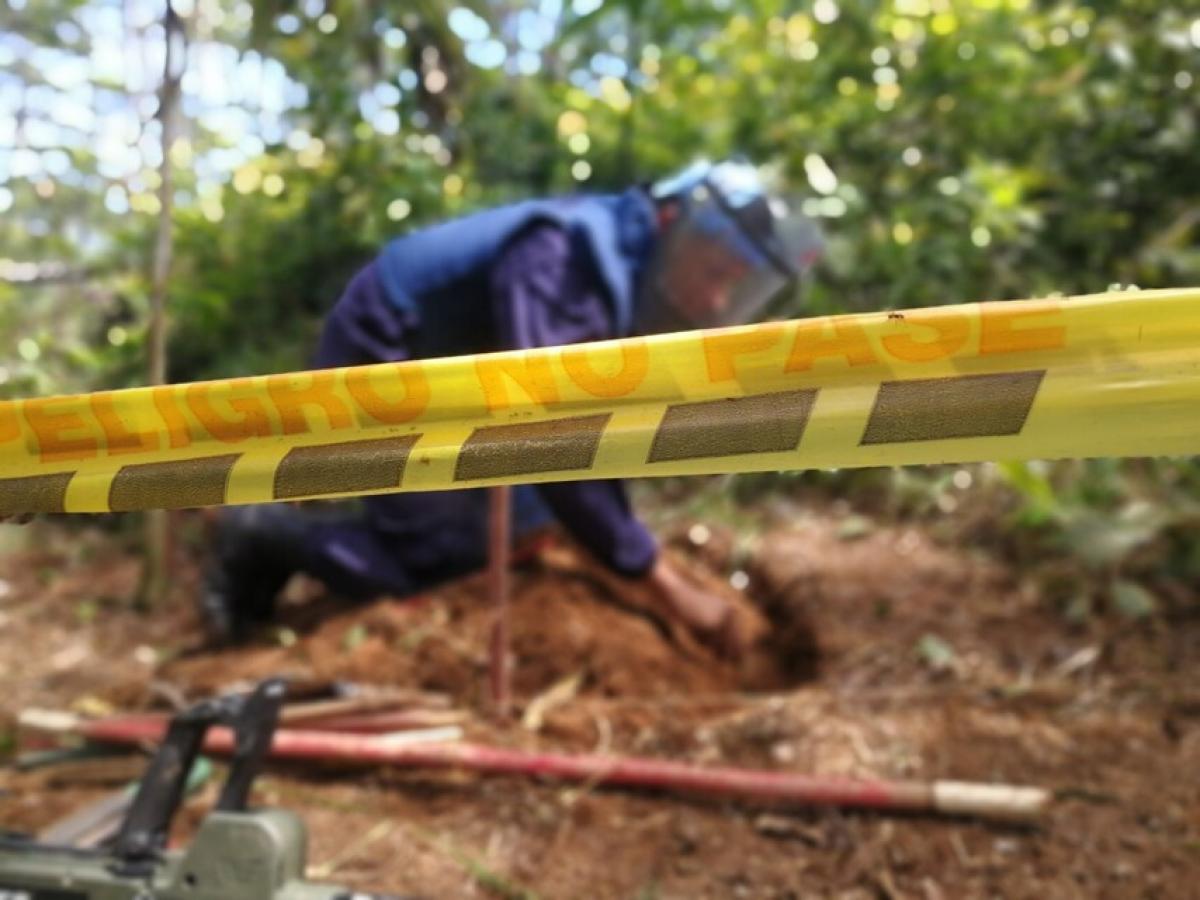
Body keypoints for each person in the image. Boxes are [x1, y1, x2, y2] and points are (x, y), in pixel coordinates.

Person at [201, 158, 822, 652]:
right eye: (715, 272)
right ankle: (261, 535)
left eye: (737, 289)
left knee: (525, 525)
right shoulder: (569, 258)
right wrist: (659, 583)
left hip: (461, 380)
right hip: (391, 343)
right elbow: (550, 433)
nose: (718, 304)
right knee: (442, 555)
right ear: (672, 225)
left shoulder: (622, 270)